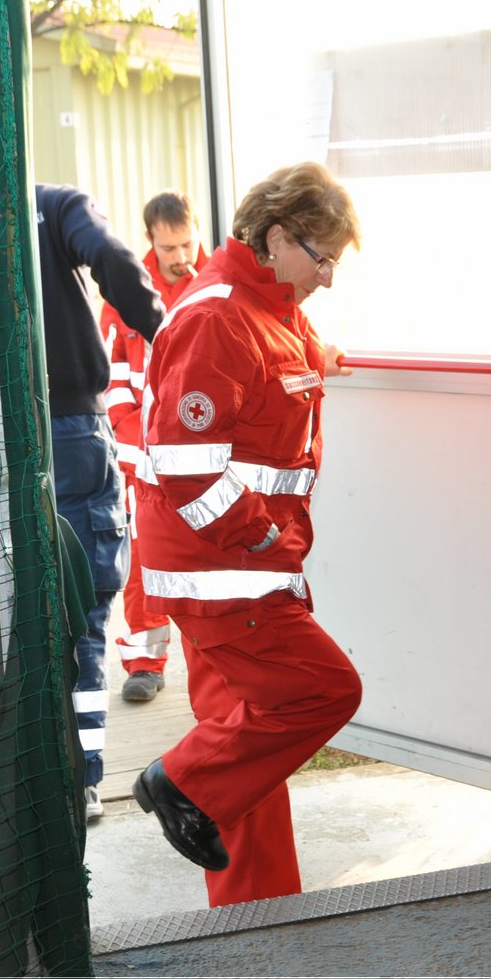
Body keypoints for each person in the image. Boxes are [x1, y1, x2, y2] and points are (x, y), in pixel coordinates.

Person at [129, 162, 363, 906]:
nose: (327, 277)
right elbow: (184, 464)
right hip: (228, 574)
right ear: (274, 236)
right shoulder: (217, 314)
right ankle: (178, 781)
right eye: (320, 257)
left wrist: (318, 358)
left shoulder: (272, 305)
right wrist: (261, 539)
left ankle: (253, 917)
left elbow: (270, 375)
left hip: (237, 569)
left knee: (246, 743)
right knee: (323, 691)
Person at [34, 183, 167, 823]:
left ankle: (30, 782)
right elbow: (110, 255)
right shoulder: (53, 206)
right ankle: (82, 783)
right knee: (83, 609)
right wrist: (162, 333)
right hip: (68, 430)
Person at [98, 192, 210, 703]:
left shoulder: (216, 285)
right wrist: (129, 435)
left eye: (187, 242)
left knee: (207, 563)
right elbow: (111, 375)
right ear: (150, 241)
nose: (181, 255)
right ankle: (145, 662)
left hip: (204, 456)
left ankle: (213, 668)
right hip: (142, 458)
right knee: (143, 561)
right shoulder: (124, 292)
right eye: (169, 247)